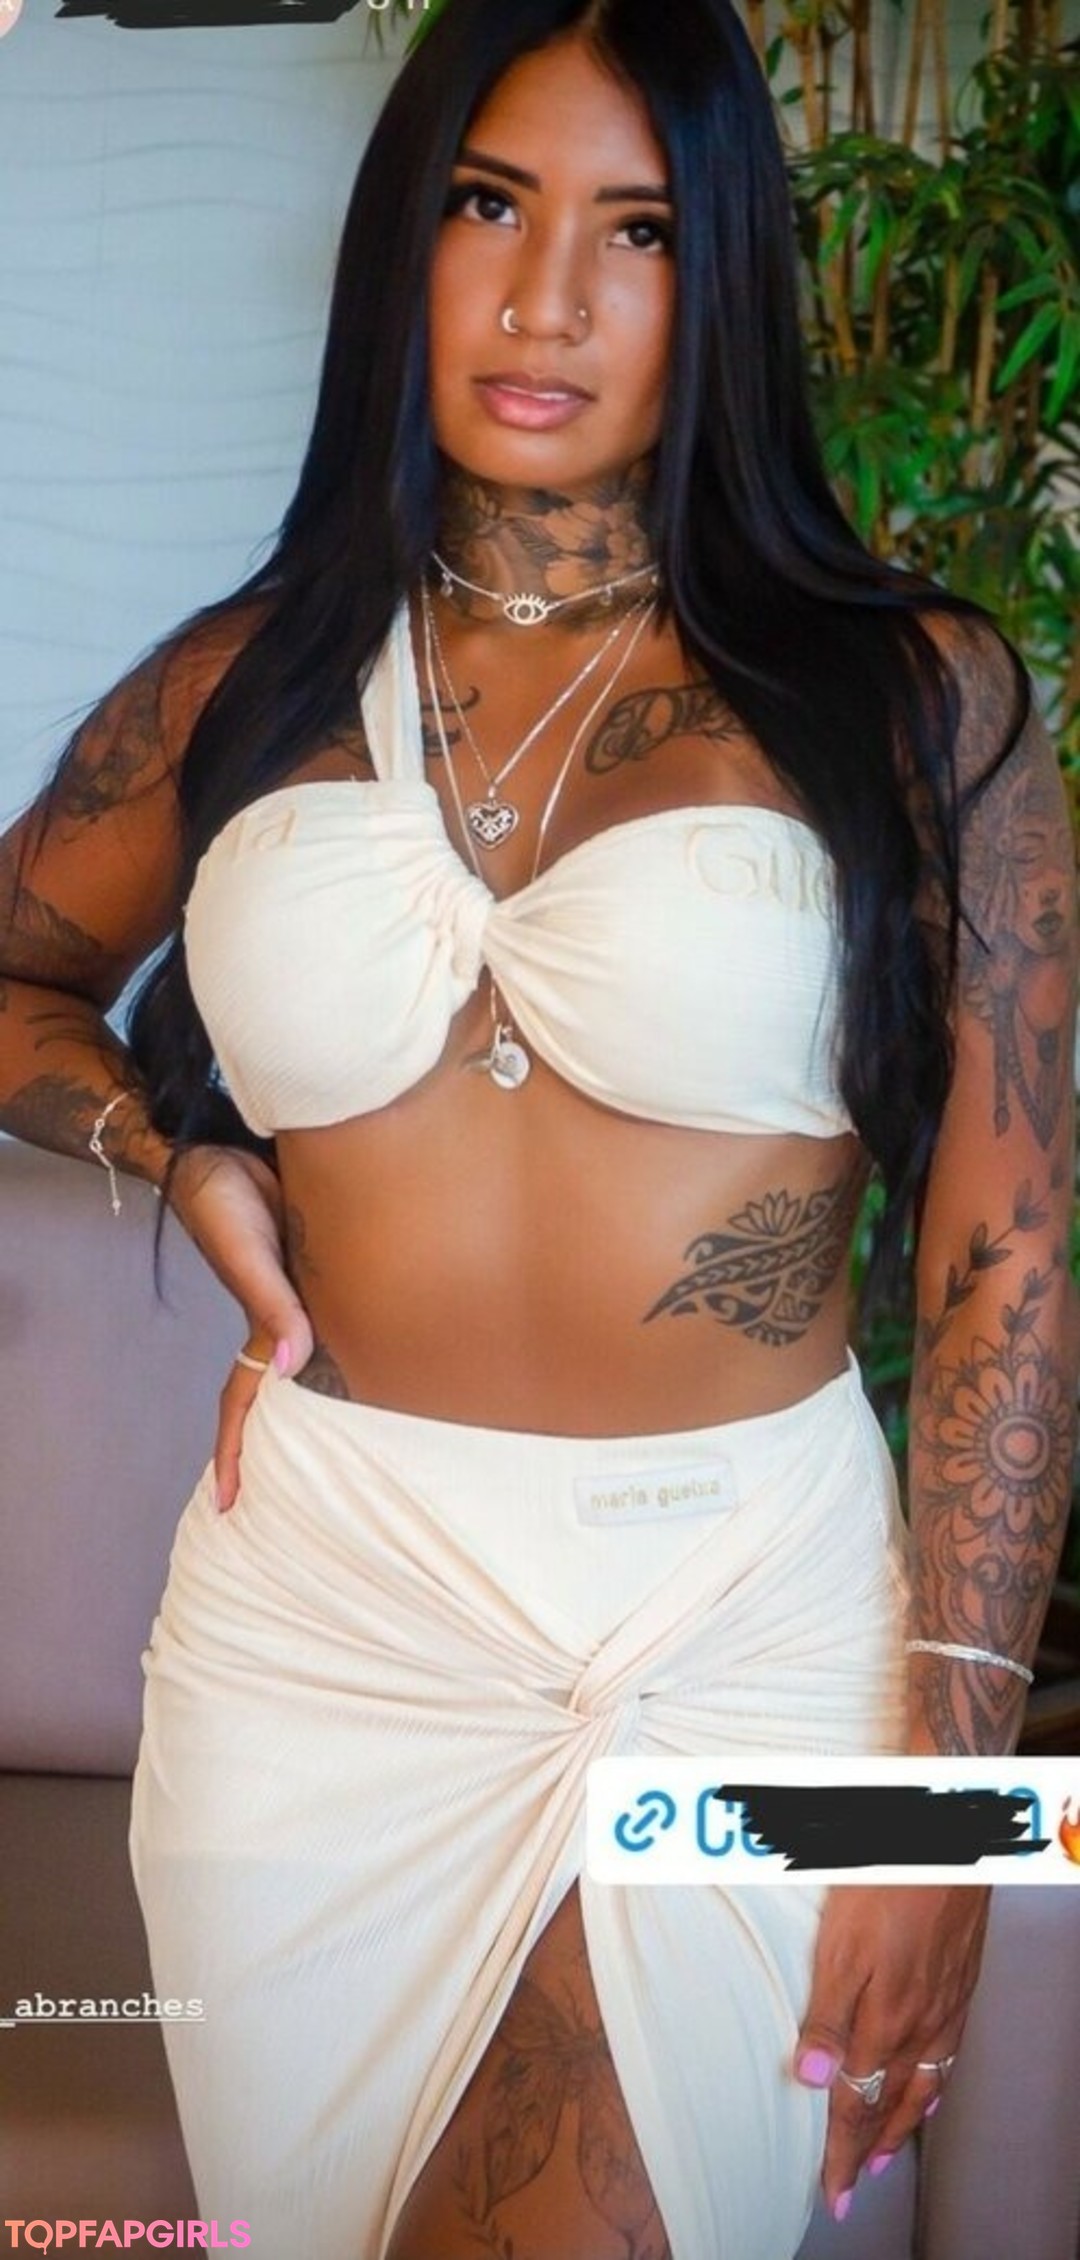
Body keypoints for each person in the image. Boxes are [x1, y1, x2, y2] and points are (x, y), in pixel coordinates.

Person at [0, 1, 1076, 2255]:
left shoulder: (916, 697)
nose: (549, 295)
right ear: (409, 235)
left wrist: (946, 1808)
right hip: (324, 1629)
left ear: (726, 278)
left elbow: (1010, 1261)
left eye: (639, 229)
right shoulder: (242, 683)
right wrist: (174, 1153)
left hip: (754, 1615)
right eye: (492, 204)